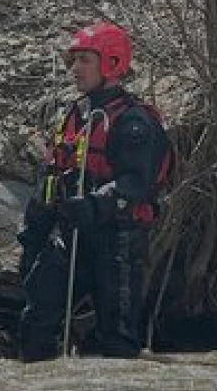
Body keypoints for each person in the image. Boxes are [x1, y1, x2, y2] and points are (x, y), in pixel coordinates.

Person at [17, 21, 174, 362]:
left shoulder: (134, 122)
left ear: (112, 63)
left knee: (117, 341)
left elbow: (137, 183)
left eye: (84, 60)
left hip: (117, 239)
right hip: (70, 234)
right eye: (74, 61)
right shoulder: (74, 115)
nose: (75, 69)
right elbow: (50, 174)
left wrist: (94, 203)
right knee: (36, 321)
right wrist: (32, 232)